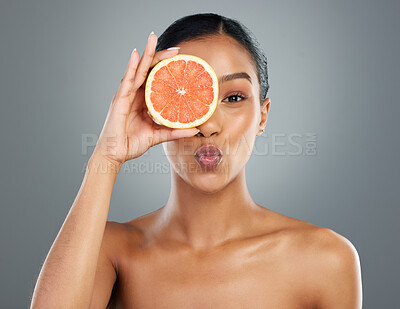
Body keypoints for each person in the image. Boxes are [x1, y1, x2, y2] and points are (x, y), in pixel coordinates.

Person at [30, 13, 362, 308]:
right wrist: (108, 155)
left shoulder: (325, 259)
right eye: (187, 97)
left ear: (262, 116)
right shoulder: (111, 252)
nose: (208, 126)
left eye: (233, 97)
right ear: (153, 106)